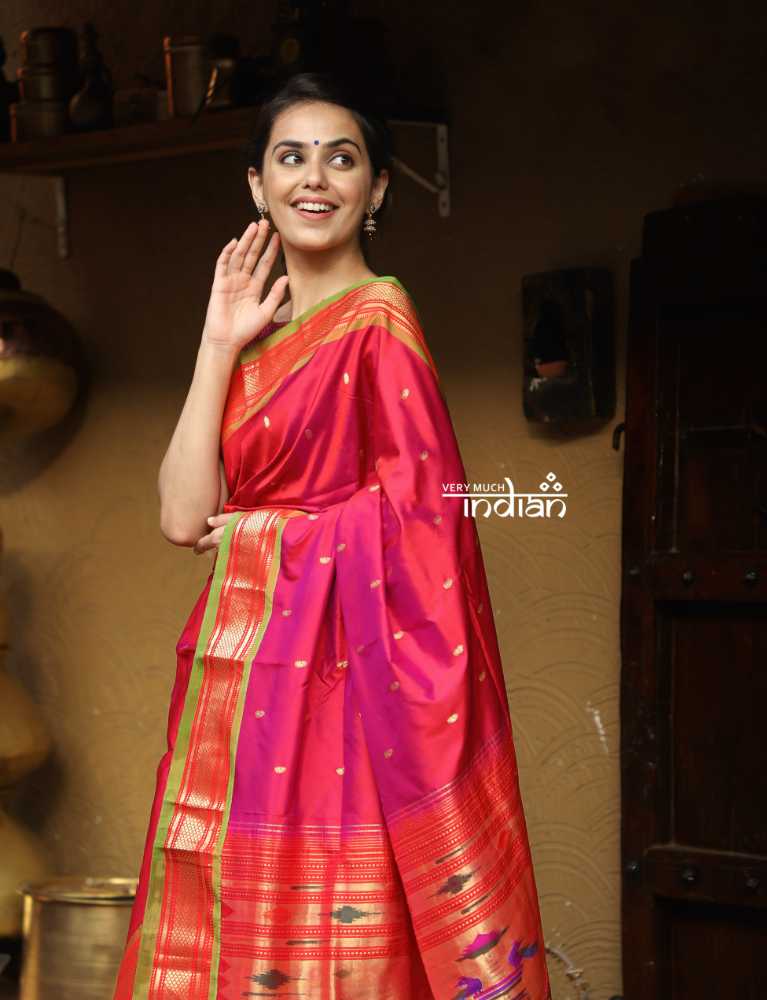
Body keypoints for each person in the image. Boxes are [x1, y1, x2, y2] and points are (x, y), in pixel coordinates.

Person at [112, 71, 551, 1000]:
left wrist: (268, 533)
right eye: (290, 157)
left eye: (341, 158)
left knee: (339, 957)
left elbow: (427, 519)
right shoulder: (256, 339)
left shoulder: (378, 323)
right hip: (241, 688)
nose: (314, 178)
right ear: (257, 183)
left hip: (347, 697)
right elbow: (183, 517)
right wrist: (217, 341)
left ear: (376, 187)